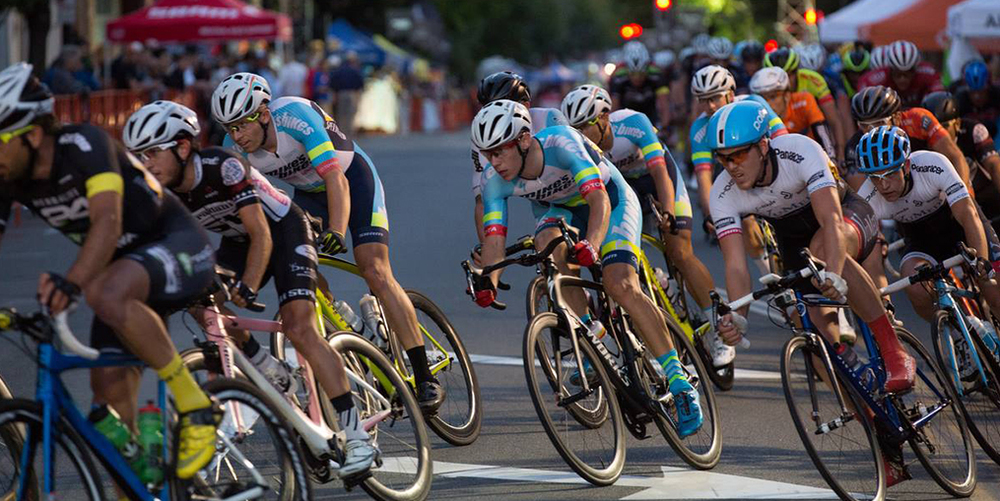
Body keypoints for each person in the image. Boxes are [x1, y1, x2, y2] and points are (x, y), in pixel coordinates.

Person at [122, 100, 378, 475]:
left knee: (300, 327)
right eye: (137, 157)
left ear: (181, 147)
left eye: (151, 154)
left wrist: (249, 286)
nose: (145, 165)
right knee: (202, 305)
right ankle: (267, 367)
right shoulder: (159, 192)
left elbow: (262, 235)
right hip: (237, 242)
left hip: (283, 230)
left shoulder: (222, 167)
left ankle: (356, 438)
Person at [0, 63, 221, 479]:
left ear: (30, 134)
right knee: (107, 403)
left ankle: (195, 406)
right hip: (122, 270)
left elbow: (108, 222)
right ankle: (143, 477)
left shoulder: (85, 144)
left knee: (105, 291)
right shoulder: (10, 177)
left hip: (176, 245)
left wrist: (70, 282)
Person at [210, 72, 445, 413]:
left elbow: (335, 178)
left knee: (374, 269)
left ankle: (424, 375)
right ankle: (353, 327)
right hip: (309, 195)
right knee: (300, 264)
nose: (236, 136)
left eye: (241, 125)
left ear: (263, 113)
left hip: (352, 179)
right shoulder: (238, 152)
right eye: (228, 128)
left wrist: (336, 229)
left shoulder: (294, 117)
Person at [470, 100, 704, 437]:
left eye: (499, 151)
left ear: (523, 140)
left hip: (612, 199)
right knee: (545, 243)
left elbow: (599, 202)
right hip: (563, 211)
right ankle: (593, 336)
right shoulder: (495, 180)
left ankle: (679, 380)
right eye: (487, 153)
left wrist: (592, 245)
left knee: (620, 284)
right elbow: (494, 241)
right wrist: (488, 281)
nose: (493, 162)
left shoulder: (561, 143)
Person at [707, 100, 916, 409]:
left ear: (763, 145)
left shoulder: (799, 150)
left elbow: (830, 219)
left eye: (738, 155)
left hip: (846, 217)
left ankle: (894, 349)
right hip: (795, 244)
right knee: (815, 341)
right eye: (723, 159)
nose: (731, 166)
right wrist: (736, 316)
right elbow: (736, 265)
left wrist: (833, 271)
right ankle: (875, 426)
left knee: (821, 250)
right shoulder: (722, 192)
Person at [560, 85, 730, 367]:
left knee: (680, 251)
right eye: (573, 129)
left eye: (584, 127)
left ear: (603, 118)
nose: (579, 135)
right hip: (623, 190)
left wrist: (668, 213)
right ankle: (658, 285)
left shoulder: (632, 123)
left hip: (657, 180)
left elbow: (659, 170)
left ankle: (718, 323)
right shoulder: (577, 147)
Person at [855, 126, 1000, 326]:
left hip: (957, 224)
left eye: (889, 174)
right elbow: (871, 260)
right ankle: (955, 335)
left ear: (905, 166)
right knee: (915, 286)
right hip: (921, 237)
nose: (883, 186)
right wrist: (884, 302)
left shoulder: (932, 164)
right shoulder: (867, 198)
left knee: (993, 290)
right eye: (875, 177)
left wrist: (981, 262)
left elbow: (968, 215)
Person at [688, 64, 786, 276]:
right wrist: (709, 213)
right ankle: (770, 275)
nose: (711, 105)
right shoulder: (699, 129)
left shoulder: (754, 103)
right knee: (746, 219)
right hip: (737, 174)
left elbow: (783, 139)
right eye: (704, 100)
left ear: (731, 94)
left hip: (770, 164)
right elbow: (704, 178)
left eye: (715, 97)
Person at [470, 71, 569, 260]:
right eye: (486, 109)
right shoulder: (484, 139)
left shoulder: (549, 119)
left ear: (526, 105)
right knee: (552, 259)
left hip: (577, 192)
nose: (493, 116)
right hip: (546, 203)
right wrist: (487, 250)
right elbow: (482, 201)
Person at [842, 86, 972, 193]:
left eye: (879, 123)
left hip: (936, 184)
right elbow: (862, 197)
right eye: (864, 125)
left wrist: (962, 195)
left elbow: (955, 157)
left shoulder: (918, 120)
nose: (872, 131)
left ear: (897, 118)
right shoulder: (855, 146)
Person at [921, 92, 1000, 226]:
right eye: (931, 129)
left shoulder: (974, 130)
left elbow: (994, 166)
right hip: (952, 212)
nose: (937, 134)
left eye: (943, 127)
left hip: (989, 202)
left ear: (957, 124)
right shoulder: (922, 144)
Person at [764, 47, 847, 161]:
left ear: (796, 71)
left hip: (814, 129)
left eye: (789, 74)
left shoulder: (813, 80)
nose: (785, 82)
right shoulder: (764, 89)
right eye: (778, 78)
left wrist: (840, 152)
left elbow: (834, 119)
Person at [750, 67, 837, 163]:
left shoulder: (804, 99)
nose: (767, 104)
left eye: (773, 97)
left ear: (787, 96)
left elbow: (821, 131)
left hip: (814, 155)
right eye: (762, 99)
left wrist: (831, 159)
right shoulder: (757, 120)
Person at [857, 40, 943, 108]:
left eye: (908, 74)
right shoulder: (874, 79)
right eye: (898, 74)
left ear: (915, 70)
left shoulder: (928, 73)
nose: (902, 79)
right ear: (890, 70)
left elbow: (939, 100)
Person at [609, 41, 671, 129]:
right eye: (633, 74)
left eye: (641, 74)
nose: (637, 78)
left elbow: (665, 104)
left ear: (647, 69)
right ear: (627, 71)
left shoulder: (656, 75)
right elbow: (613, 108)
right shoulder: (618, 77)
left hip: (650, 117)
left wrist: (665, 128)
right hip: (626, 119)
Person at [955, 60, 1000, 139]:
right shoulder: (960, 100)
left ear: (988, 88)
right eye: (973, 92)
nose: (977, 97)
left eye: (981, 92)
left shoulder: (997, 95)